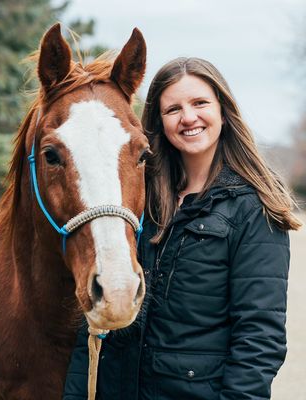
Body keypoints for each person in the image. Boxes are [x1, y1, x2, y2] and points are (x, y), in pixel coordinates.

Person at [63, 57, 301, 400]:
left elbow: (259, 337)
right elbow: (95, 322)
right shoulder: (136, 199)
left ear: (223, 109)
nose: (188, 117)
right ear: (159, 121)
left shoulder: (253, 207)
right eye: (173, 108)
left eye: (200, 103)